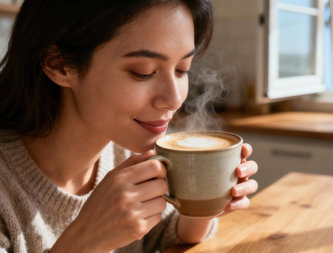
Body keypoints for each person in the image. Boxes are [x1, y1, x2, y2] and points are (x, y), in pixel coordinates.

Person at [0, 0, 258, 252]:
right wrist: (86, 239)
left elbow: (169, 232)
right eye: (143, 72)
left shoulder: (127, 150)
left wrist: (206, 200)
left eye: (182, 69)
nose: (174, 99)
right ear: (59, 65)